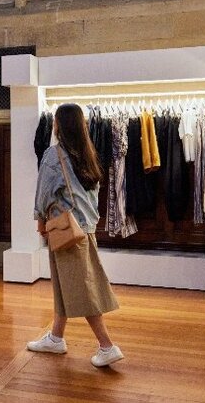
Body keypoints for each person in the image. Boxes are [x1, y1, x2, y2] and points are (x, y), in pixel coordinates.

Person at [27, 103, 124, 368]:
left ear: (58, 125)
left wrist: (41, 222)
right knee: (64, 282)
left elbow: (44, 193)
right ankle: (56, 337)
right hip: (85, 228)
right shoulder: (87, 154)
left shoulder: (53, 155)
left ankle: (107, 345)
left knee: (81, 286)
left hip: (65, 228)